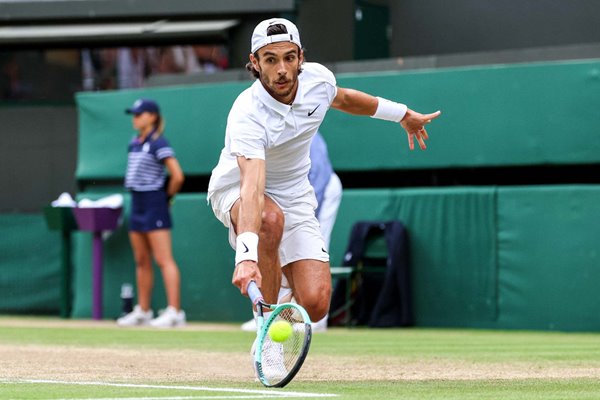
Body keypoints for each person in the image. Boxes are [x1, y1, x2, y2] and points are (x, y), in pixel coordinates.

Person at [207, 18, 440, 333]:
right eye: (270, 59)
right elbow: (252, 186)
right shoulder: (246, 112)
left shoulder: (318, 81)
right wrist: (246, 256)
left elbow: (345, 99)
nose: (282, 70)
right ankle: (269, 333)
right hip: (236, 188)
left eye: (289, 57)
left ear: (301, 57)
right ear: (255, 63)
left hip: (296, 193)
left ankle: (283, 299)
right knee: (269, 221)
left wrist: (402, 114)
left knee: (316, 305)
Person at [239, 130, 342, 332]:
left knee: (312, 249)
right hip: (284, 195)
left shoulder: (305, 128)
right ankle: (270, 312)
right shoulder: (259, 124)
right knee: (271, 240)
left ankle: (314, 320)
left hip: (321, 192)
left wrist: (305, 223)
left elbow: (317, 176)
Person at [117, 98, 186, 328]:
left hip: (154, 201)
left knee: (163, 260)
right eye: (134, 114)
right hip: (136, 202)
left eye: (139, 114)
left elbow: (177, 176)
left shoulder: (159, 143)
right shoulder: (133, 143)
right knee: (141, 260)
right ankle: (143, 312)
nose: (135, 118)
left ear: (152, 117)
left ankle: (175, 312)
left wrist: (166, 199)